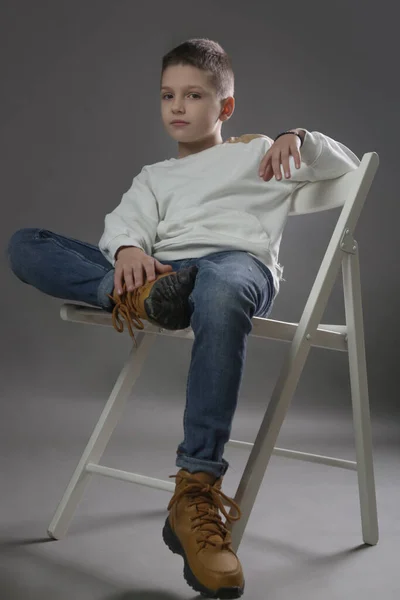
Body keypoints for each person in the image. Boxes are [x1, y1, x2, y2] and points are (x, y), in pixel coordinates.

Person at [6, 37, 361, 599]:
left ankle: (196, 490)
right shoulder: (153, 176)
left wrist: (299, 138)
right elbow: (122, 226)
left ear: (224, 107)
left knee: (219, 290)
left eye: (194, 95)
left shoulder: (257, 152)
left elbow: (346, 165)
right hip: (165, 272)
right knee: (26, 243)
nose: (178, 106)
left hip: (233, 267)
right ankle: (140, 295)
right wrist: (126, 253)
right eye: (168, 95)